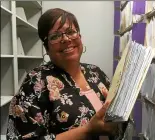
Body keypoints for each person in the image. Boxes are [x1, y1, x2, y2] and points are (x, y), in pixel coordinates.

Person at [6, 8, 128, 140]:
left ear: (80, 37)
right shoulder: (35, 82)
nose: (66, 39)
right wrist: (87, 131)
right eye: (55, 36)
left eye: (71, 32)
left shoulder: (96, 73)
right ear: (46, 47)